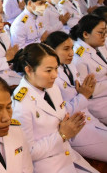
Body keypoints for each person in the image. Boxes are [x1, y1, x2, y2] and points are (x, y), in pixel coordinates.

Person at [11, 43, 97, 173]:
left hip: (67, 154)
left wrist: (70, 126)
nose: (55, 75)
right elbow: (27, 152)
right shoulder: (21, 104)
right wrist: (62, 135)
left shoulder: (51, 88)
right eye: (48, 70)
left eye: (56, 69)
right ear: (28, 70)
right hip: (48, 165)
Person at [44, 31, 107, 162]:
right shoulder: (49, 79)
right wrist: (83, 96)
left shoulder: (70, 65)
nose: (72, 53)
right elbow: (61, 114)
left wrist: (83, 95)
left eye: (72, 48)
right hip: (75, 130)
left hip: (88, 117)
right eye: (66, 49)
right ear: (51, 50)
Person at [71, 15, 107, 124]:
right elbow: (85, 91)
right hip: (97, 103)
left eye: (105, 32)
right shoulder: (79, 57)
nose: (104, 36)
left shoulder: (96, 46)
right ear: (86, 34)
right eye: (100, 32)